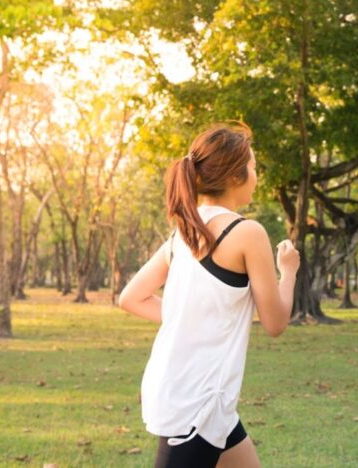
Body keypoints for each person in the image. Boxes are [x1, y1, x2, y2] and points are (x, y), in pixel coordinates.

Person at [118, 122, 300, 467]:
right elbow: (275, 322)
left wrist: (190, 317)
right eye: (254, 167)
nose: (256, 176)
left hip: (204, 399)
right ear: (234, 176)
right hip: (196, 405)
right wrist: (288, 271)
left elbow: (132, 297)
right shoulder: (247, 232)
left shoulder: (183, 233)